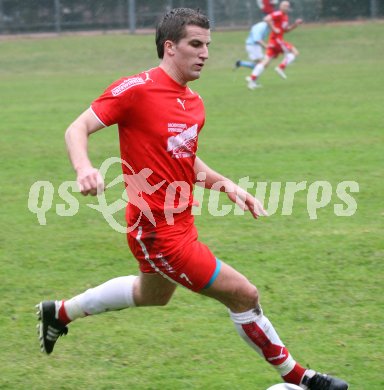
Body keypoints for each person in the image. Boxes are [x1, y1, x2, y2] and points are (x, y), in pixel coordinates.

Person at [36, 8, 348, 390]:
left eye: (208, 45)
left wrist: (228, 186)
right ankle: (302, 379)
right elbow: (78, 127)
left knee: (153, 294)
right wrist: (84, 167)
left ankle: (59, 313)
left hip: (182, 222)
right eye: (195, 44)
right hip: (157, 231)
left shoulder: (194, 103)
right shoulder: (136, 89)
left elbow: (187, 161)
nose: (205, 53)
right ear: (170, 47)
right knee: (243, 294)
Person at [247, 1, 302, 90]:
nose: (286, 7)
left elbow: (286, 30)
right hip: (277, 40)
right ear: (280, 6)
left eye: (287, 6)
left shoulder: (285, 17)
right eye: (284, 5)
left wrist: (295, 25)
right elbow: (266, 18)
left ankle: (252, 81)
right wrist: (273, 28)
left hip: (274, 42)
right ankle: (281, 68)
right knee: (294, 52)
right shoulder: (278, 13)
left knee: (265, 62)